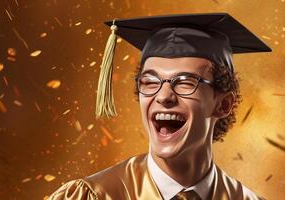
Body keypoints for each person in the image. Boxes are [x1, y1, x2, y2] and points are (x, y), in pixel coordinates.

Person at [49, 13, 271, 200]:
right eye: (150, 82)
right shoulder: (95, 196)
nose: (164, 95)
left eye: (185, 82)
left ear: (223, 104)